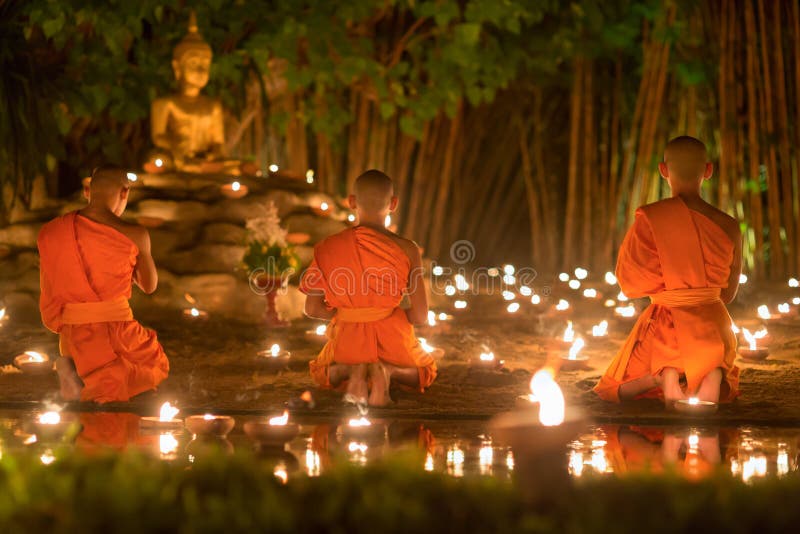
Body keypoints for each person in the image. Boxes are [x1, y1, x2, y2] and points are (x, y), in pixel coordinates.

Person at [594, 136, 741, 407]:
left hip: (666, 329)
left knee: (611, 390)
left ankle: (661, 376)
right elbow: (729, 294)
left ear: (663, 170)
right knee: (715, 351)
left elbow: (630, 283)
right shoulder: (729, 225)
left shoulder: (651, 218)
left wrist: (674, 293)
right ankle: (713, 371)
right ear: (708, 171)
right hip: (713, 328)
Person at [300, 169, 438, 406]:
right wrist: (389, 315)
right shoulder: (408, 249)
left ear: (351, 202)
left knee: (322, 372)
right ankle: (389, 371)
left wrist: (346, 313)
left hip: (347, 341)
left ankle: (350, 371)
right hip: (394, 342)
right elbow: (420, 315)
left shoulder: (328, 247)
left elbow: (312, 308)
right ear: (393, 204)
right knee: (426, 371)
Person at [38, 165, 169, 403]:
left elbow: (50, 288)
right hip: (118, 332)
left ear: (87, 191)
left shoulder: (53, 232)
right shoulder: (134, 233)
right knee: (151, 367)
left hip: (73, 336)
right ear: (124, 193)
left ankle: (73, 374)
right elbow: (150, 286)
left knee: (90, 395)